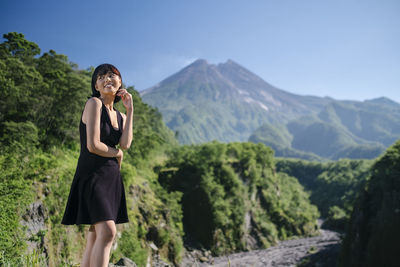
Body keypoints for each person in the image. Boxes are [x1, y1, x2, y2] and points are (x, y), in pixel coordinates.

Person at [61, 63, 133, 267]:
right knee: (108, 232)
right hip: (92, 175)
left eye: (111, 75)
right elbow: (92, 145)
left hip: (111, 177)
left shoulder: (122, 116)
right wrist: (116, 152)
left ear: (120, 82)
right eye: (100, 77)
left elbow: (126, 144)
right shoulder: (94, 104)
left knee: (95, 236)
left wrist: (130, 109)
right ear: (96, 86)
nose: (106, 79)